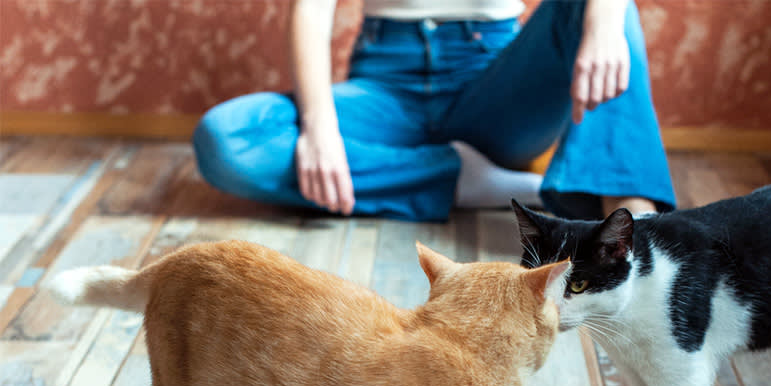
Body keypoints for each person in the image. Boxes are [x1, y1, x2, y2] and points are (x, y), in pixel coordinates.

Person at [192, 0, 675, 222]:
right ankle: (461, 179)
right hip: (384, 88)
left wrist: (605, 21)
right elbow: (312, 11)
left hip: (494, 85)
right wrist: (319, 129)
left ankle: (634, 218)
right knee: (226, 139)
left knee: (608, 7)